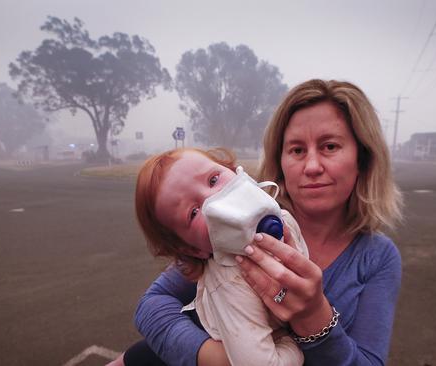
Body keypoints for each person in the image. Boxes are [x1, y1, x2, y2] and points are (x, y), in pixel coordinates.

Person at [119, 79, 403, 366]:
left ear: (362, 158)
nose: (312, 166)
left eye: (330, 146)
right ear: (280, 160)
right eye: (296, 150)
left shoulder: (377, 257)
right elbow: (150, 307)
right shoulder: (233, 231)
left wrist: (314, 318)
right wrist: (212, 357)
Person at [115, 147, 308, 366]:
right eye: (193, 212)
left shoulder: (284, 219)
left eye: (214, 179)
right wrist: (295, 342)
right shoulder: (229, 283)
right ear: (193, 249)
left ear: (238, 172)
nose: (214, 199)